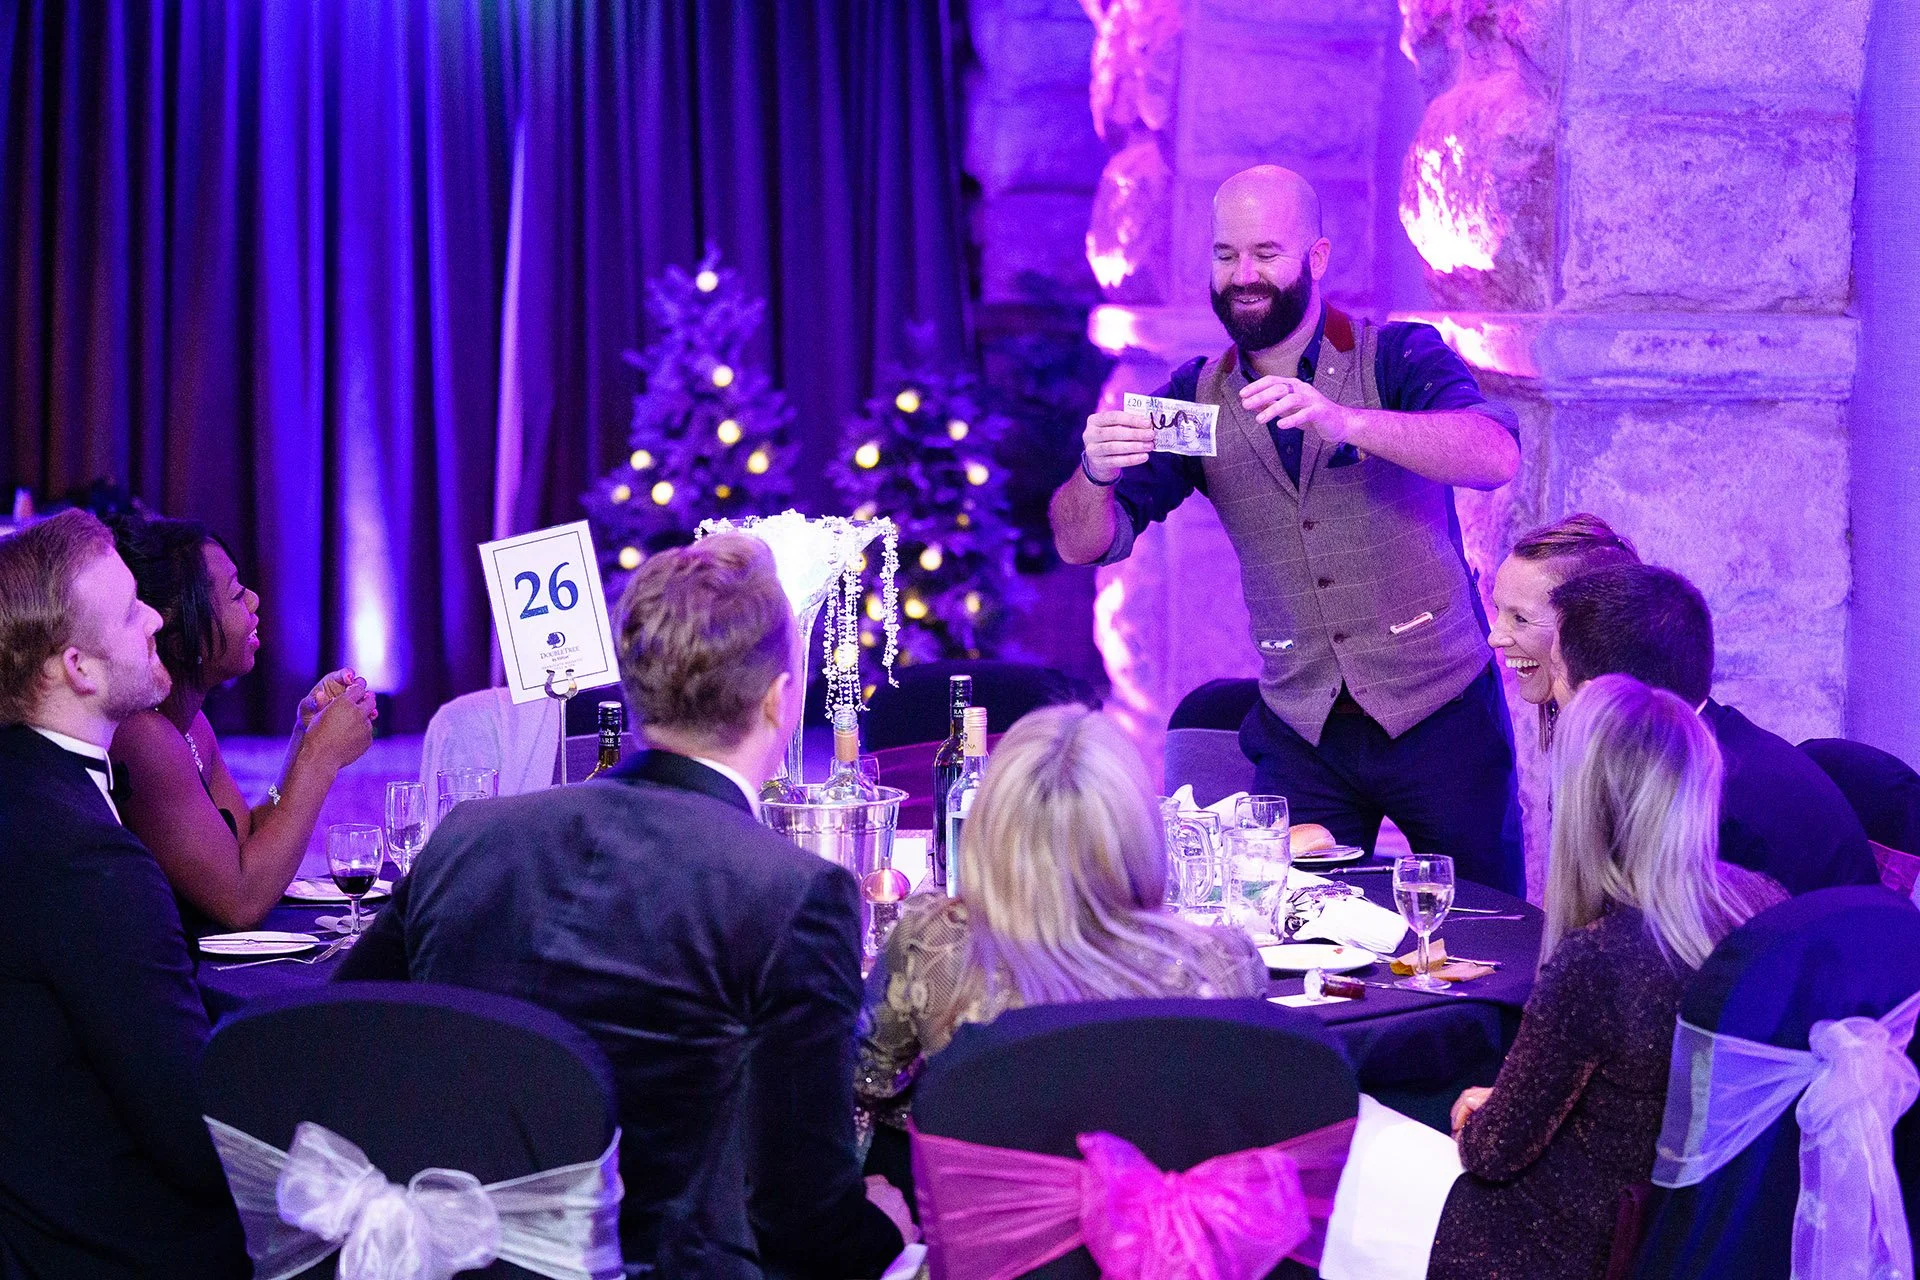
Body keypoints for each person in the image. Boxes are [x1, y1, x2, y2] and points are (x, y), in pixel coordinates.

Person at [338, 533, 911, 1279]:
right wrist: (887, 1230)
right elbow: (798, 1224)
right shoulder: (792, 892)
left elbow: (343, 1035)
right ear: (778, 700)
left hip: (460, 1261)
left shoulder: (471, 837)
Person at [1050, 164, 1526, 893]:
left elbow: (1493, 454)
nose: (1244, 275)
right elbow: (1082, 541)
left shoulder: (1396, 355)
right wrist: (1093, 472)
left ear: (1318, 258)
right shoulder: (1193, 400)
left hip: (1443, 712)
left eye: (1267, 253)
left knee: (1483, 932)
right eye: (1225, 254)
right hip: (1305, 728)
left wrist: (1348, 422)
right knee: (1285, 931)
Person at [1429, 674, 1784, 1280]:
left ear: (1584, 805)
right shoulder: (1761, 900)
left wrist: (1480, 1117)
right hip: (1710, 1229)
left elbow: (1494, 1153)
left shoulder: (1599, 961)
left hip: (1588, 1242)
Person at [0, 510, 249, 1278]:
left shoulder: (28, 792)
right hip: (108, 1249)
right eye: (133, 608)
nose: (157, 620)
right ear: (77, 667)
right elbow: (195, 1147)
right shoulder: (89, 858)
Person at [856, 704, 1265, 1128]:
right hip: (1159, 1186)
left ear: (987, 828)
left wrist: (943, 1110)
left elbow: (866, 1085)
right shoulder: (1224, 965)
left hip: (997, 1192)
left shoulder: (932, 944)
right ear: (1141, 834)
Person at [106, 514, 377, 935]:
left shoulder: (190, 724)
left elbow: (246, 840)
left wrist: (302, 741)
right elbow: (241, 899)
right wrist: (321, 758)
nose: (253, 600)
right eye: (235, 595)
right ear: (179, 638)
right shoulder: (142, 734)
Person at [1551, 563, 1878, 894]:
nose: (1552, 689)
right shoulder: (1717, 739)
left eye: (1556, 669)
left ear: (1598, 694)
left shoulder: (1694, 801)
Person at [1488, 513, 1641, 749]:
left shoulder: (1650, 757)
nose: (1495, 639)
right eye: (1498, 610)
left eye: (1521, 618)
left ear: (1591, 625)